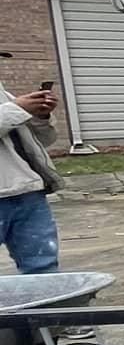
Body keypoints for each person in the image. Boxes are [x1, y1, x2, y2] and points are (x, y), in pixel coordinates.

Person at [0, 82, 63, 273]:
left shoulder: (5, 95)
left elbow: (44, 141)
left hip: (28, 193)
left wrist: (41, 115)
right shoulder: (13, 103)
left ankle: (49, 303)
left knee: (43, 267)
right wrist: (18, 109)